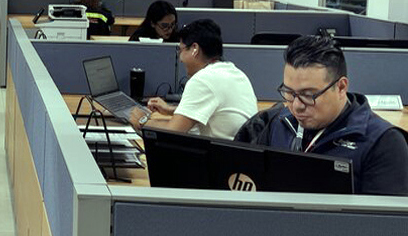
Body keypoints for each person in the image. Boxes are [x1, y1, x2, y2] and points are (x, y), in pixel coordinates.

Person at [235, 36, 408, 195]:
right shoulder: (279, 123)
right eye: (289, 92)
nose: (296, 106)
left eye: (309, 95)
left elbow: (382, 225)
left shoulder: (383, 143)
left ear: (341, 87)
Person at [130, 19, 257, 140]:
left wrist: (143, 121)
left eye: (181, 50)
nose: (180, 58)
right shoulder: (235, 72)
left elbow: (173, 131)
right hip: (240, 156)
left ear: (194, 49)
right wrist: (171, 110)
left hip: (222, 158)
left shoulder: (203, 79)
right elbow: (216, 112)